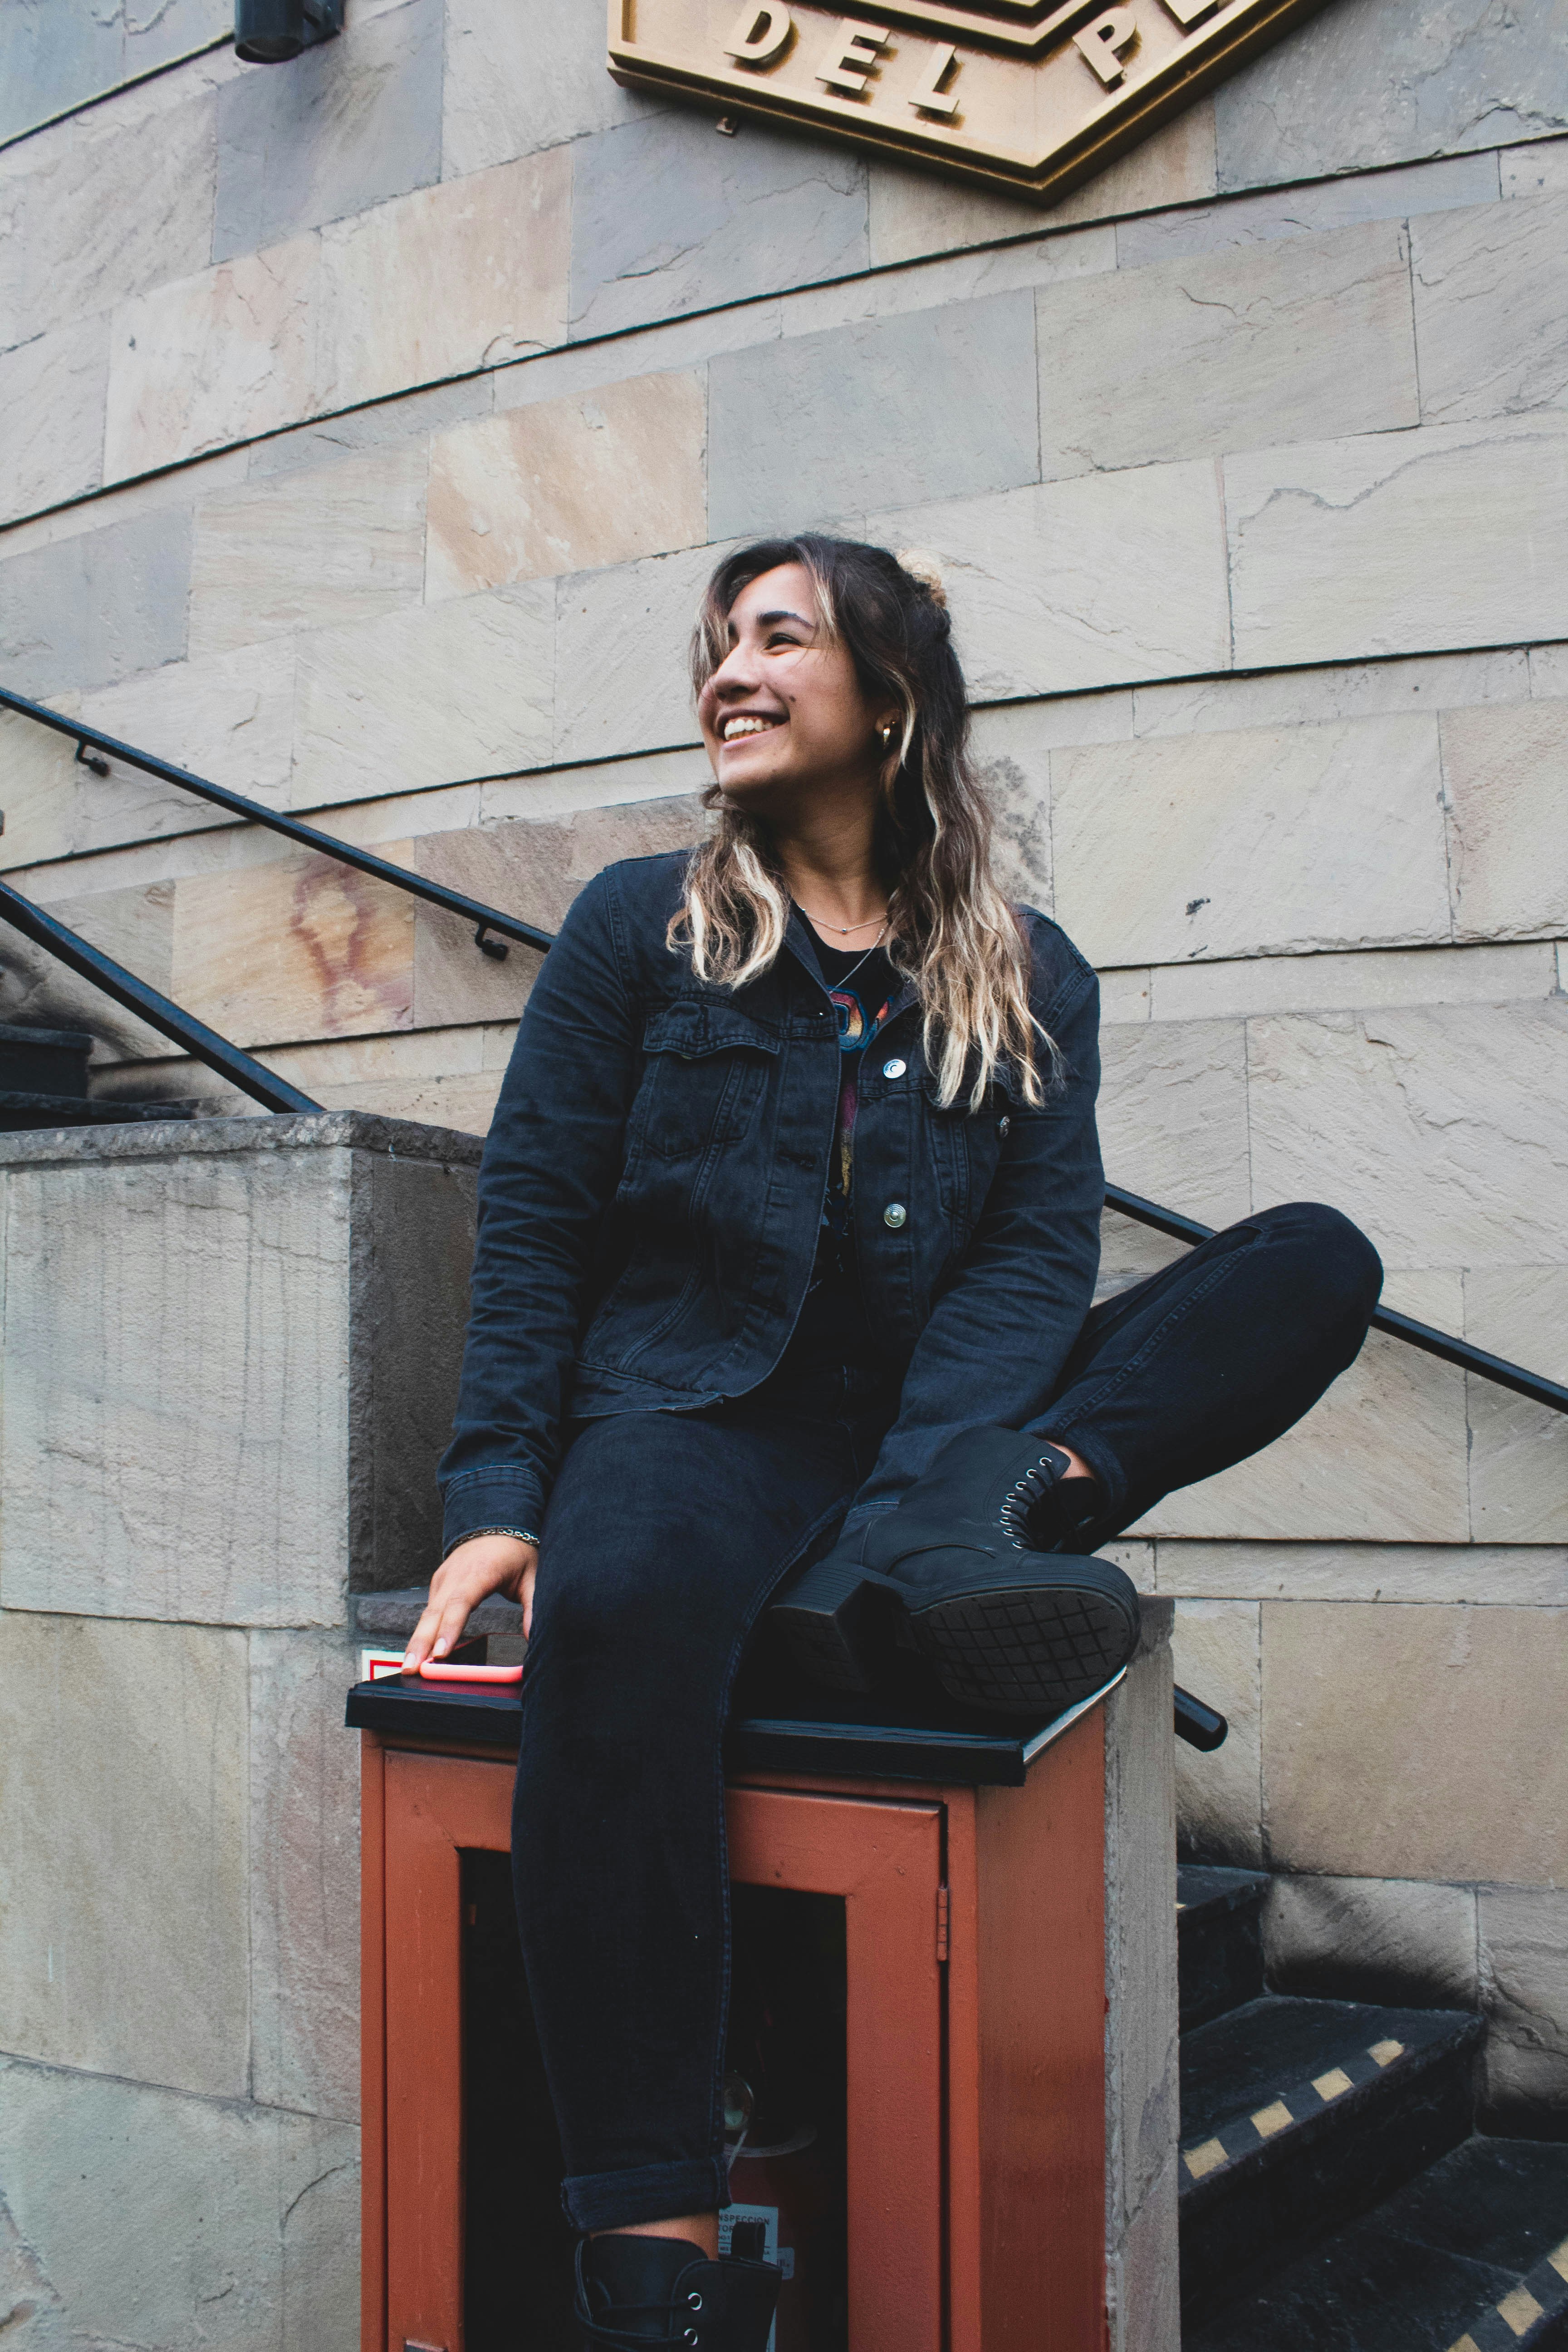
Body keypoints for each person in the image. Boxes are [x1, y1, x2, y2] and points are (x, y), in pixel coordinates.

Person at [403, 535, 1382, 2350]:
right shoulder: (643, 927)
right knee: (621, 1610)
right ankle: (652, 2258)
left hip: (954, 1424)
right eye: (717, 648)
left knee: (1310, 1262)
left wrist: (952, 1455)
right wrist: (494, 1500)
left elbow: (1032, 1259)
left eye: (778, 637)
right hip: (700, 1413)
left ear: (890, 689)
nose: (730, 673)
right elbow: (537, 1223)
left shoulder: (1031, 973)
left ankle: (953, 1534)